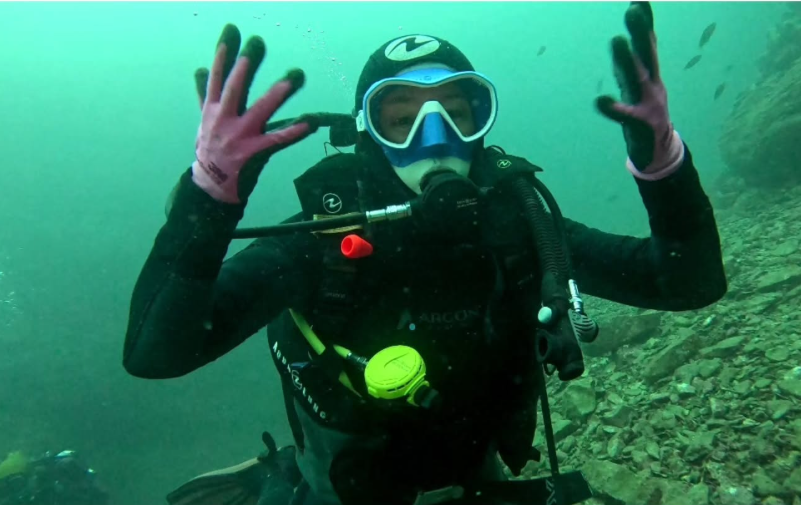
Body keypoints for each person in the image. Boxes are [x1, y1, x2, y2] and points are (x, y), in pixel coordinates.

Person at [124, 3, 726, 505]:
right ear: (368, 135)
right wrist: (209, 197)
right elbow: (157, 352)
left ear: (479, 124)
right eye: (401, 120)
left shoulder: (518, 224)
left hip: (477, 476)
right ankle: (274, 478)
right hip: (345, 488)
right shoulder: (321, 244)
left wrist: (662, 163)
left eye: (456, 114)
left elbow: (688, 283)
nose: (433, 139)